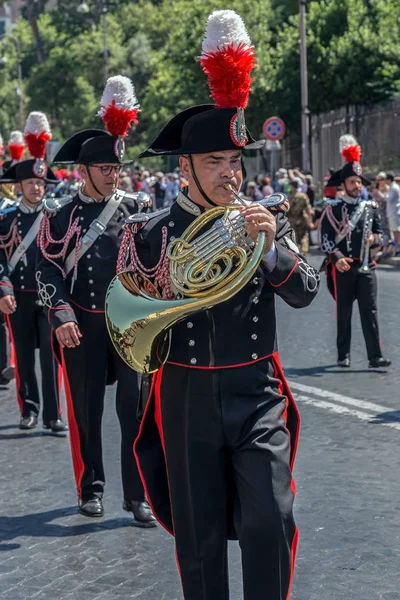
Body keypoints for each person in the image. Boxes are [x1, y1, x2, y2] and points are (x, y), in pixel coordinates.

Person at [128, 11, 320, 600]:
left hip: (255, 388)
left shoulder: (259, 220)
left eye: (235, 162)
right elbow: (132, 317)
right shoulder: (150, 234)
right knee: (200, 540)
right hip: (184, 396)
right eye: (215, 163)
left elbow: (306, 289)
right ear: (184, 169)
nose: (230, 175)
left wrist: (269, 247)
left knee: (270, 519)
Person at [36, 76, 155, 524]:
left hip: (129, 326)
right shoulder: (61, 215)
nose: (113, 175)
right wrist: (61, 314)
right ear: (83, 172)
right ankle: (92, 487)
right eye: (105, 169)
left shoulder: (136, 209)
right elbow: (47, 267)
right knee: (86, 409)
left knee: (135, 409)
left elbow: (155, 262)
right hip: (82, 323)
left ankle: (137, 494)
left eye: (116, 169)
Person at [0, 112, 67, 431]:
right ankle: (30, 410)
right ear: (20, 186)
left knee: (51, 359)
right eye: (31, 183)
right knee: (24, 357)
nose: (37, 188)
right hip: (18, 298)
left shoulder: (55, 219)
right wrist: (4, 288)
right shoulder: (6, 219)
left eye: (40, 183)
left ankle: (54, 416)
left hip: (48, 298)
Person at [320, 134, 391, 369]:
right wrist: (337, 258)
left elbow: (382, 233)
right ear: (344, 185)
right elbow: (327, 240)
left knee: (370, 311)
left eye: (359, 182)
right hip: (344, 268)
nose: (357, 186)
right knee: (344, 312)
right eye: (352, 182)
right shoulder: (334, 210)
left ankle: (375, 356)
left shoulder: (370, 208)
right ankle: (343, 355)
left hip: (367, 266)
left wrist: (375, 239)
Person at [286, 179, 314, 253]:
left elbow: (286, 209)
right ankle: (304, 250)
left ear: (292, 186)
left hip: (291, 219)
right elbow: (308, 209)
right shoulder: (303, 196)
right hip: (302, 218)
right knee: (304, 235)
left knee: (293, 236)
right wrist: (310, 219)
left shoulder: (289, 196)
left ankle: (295, 251)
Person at [386, 172, 400, 254]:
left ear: (389, 180)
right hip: (393, 212)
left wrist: (384, 193)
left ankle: (397, 248)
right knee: (395, 231)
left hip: (394, 212)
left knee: (396, 231)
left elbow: (389, 199)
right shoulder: (393, 187)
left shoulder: (394, 188)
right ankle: (397, 247)